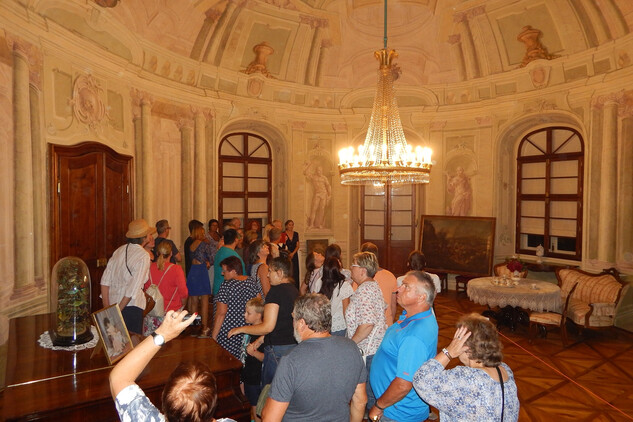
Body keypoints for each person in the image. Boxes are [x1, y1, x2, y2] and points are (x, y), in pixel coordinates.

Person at [109, 309, 236, 422]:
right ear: (214, 404)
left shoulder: (144, 417)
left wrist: (162, 334)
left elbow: (119, 378)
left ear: (164, 400)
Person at [262, 294, 367, 422]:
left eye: (294, 319)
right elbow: (360, 401)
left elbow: (270, 418)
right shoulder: (351, 348)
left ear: (301, 323)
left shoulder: (291, 360)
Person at [413, 313, 520, 421]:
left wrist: (448, 351)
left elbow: (421, 379)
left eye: (457, 341)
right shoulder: (505, 370)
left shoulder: (467, 379)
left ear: (465, 346)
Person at [367, 271, 439, 422]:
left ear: (421, 297)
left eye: (406, 287)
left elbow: (403, 384)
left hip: (396, 412)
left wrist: (379, 406)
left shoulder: (414, 336)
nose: (399, 289)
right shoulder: (414, 317)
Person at [228, 256, 298, 386]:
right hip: (292, 347)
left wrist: (240, 329)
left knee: (270, 390)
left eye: (270, 271)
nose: (267, 275)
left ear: (280, 273)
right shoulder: (294, 291)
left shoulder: (275, 291)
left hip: (277, 349)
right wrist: (260, 340)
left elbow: (268, 327)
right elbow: (281, 324)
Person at [101, 218, 156, 335]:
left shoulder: (119, 251)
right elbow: (132, 289)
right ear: (144, 237)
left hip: (112, 303)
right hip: (130, 306)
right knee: (132, 342)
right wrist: (118, 312)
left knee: (116, 343)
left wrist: (107, 309)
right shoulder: (143, 255)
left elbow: (105, 281)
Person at [345, 251, 386, 406]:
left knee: (367, 397)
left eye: (353, 265)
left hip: (367, 352)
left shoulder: (365, 290)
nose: (350, 268)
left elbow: (367, 324)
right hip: (372, 351)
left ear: (363, 270)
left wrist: (350, 344)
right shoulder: (371, 286)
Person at [212, 256, 263, 359]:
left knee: (226, 361)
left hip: (229, 331)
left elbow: (221, 312)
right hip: (248, 329)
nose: (222, 273)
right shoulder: (251, 281)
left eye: (225, 271)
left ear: (234, 271)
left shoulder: (226, 285)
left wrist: (214, 335)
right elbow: (259, 302)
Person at [143, 241, 189, 335]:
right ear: (171, 253)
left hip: (152, 313)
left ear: (157, 253)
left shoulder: (149, 268)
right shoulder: (176, 269)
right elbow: (183, 293)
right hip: (170, 313)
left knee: (151, 342)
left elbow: (145, 290)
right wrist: (182, 306)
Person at [360, 242, 397, 324]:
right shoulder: (390, 276)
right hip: (386, 322)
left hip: (365, 324)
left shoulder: (360, 277)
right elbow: (393, 306)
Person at [242, 297, 266, 422]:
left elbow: (266, 358)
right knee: (252, 406)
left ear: (258, 315)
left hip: (256, 379)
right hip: (248, 376)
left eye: (248, 313)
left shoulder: (263, 334)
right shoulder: (249, 330)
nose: (244, 315)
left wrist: (254, 353)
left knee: (257, 410)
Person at [187, 225, 213, 337]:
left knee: (193, 302)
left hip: (192, 271)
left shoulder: (191, 245)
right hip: (201, 271)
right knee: (204, 301)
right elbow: (211, 258)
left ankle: (194, 328)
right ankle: (204, 328)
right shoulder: (204, 244)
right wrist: (208, 262)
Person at [319, 257, 353, 336]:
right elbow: (346, 311)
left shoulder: (319, 282)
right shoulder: (344, 285)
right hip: (339, 324)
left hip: (323, 324)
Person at [212, 229, 245, 297]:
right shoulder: (232, 255)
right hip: (228, 292)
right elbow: (240, 274)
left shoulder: (220, 251)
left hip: (218, 288)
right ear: (236, 239)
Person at [304, 162, 331, 229]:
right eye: (318, 170)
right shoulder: (314, 177)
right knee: (314, 209)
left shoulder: (324, 178)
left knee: (322, 210)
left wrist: (329, 195)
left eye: (321, 170)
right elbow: (305, 173)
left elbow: (328, 186)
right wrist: (309, 164)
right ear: (316, 171)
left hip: (324, 194)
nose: (319, 172)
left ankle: (319, 224)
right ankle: (311, 224)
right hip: (317, 194)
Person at [284, 220, 300, 289]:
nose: (291, 226)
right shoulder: (283, 234)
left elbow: (298, 245)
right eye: (289, 225)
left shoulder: (296, 234)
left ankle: (296, 288)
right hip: (286, 254)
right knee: (288, 269)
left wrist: (293, 253)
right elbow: (282, 245)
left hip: (294, 254)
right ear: (286, 226)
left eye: (292, 225)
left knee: (295, 270)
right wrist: (288, 253)